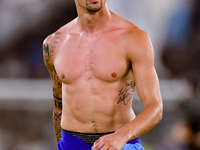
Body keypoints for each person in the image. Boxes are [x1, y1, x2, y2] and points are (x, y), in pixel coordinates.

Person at [43, 0, 163, 149]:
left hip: (121, 142)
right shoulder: (54, 43)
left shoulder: (134, 38)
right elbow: (58, 107)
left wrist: (121, 136)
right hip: (72, 143)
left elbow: (155, 107)